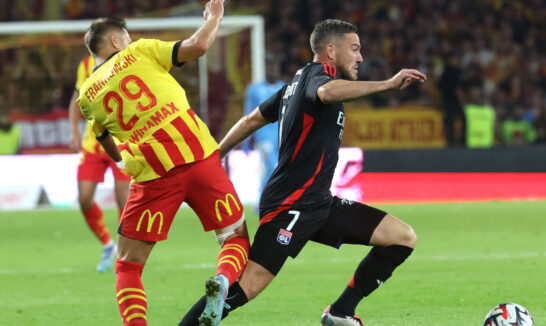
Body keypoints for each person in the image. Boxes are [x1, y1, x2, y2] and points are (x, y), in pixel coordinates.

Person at [180, 19, 425, 326]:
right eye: (355, 49)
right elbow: (325, 92)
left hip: (319, 204)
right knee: (249, 285)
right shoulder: (319, 77)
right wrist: (387, 84)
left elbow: (251, 120)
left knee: (401, 237)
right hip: (291, 205)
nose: (360, 57)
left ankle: (341, 312)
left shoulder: (292, 85)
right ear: (331, 51)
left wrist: (217, 153)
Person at [77, 2, 250, 325]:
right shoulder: (141, 51)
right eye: (125, 37)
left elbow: (110, 148)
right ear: (115, 41)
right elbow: (198, 45)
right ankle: (224, 280)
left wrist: (126, 153)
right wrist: (215, 17)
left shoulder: (86, 95)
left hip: (153, 173)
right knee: (235, 237)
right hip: (198, 154)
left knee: (128, 265)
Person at [68, 55, 131, 273]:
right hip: (93, 141)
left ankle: (124, 252)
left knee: (124, 198)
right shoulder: (85, 64)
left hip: (121, 140)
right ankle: (107, 244)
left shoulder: (128, 60)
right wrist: (74, 130)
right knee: (84, 197)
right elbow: (76, 98)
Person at [241, 53, 285, 197]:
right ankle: (263, 199)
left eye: (274, 67)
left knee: (278, 168)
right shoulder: (254, 89)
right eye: (269, 67)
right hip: (263, 136)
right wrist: (246, 141)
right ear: (265, 69)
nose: (272, 70)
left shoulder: (284, 88)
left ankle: (275, 199)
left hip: (281, 135)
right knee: (271, 166)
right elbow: (248, 115)